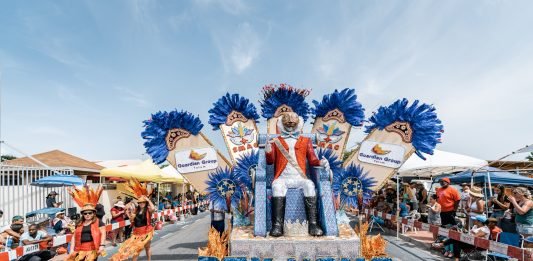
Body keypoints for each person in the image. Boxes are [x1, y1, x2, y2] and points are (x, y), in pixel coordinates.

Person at [265, 112, 330, 237]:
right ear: (281, 124)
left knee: (309, 185)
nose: (290, 125)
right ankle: (277, 225)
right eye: (287, 123)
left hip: (300, 177)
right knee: (277, 187)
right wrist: (268, 150)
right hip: (282, 178)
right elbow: (270, 161)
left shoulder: (306, 141)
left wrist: (321, 162)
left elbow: (312, 159)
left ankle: (313, 224)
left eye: (293, 123)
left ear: (298, 123)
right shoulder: (275, 141)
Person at [111, 179, 155, 261]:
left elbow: (153, 208)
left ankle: (149, 260)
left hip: (146, 232)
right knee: (136, 250)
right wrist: (127, 213)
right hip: (136, 233)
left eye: (143, 202)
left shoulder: (148, 210)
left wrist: (148, 200)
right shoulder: (136, 210)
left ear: (145, 203)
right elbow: (132, 219)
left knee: (147, 248)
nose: (141, 203)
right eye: (140, 202)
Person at [66, 185, 106, 261]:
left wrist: (102, 245)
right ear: (83, 214)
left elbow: (103, 234)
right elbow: (74, 237)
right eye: (85, 213)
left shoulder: (98, 222)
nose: (87, 215)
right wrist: (71, 249)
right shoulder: (79, 223)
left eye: (90, 213)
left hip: (92, 249)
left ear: (94, 213)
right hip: (79, 249)